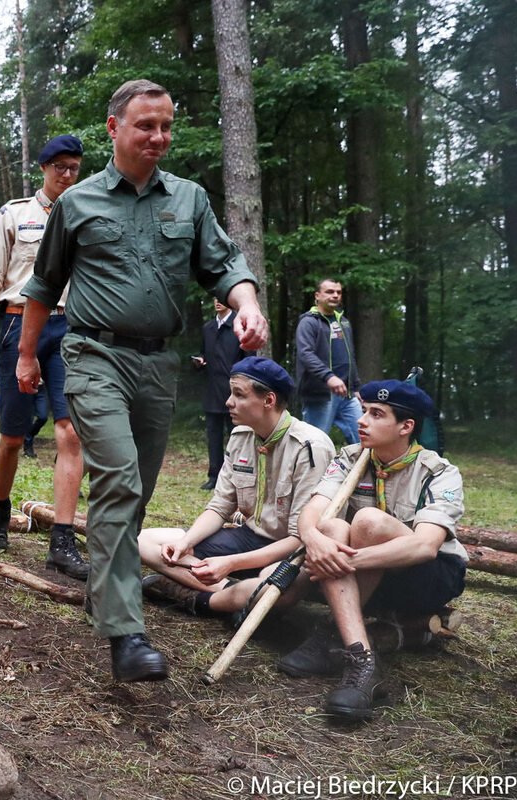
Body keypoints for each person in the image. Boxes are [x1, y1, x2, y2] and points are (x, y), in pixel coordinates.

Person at [17, 79, 268, 683]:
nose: (158, 137)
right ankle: (126, 634)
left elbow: (225, 265)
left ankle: (107, 595)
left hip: (157, 366)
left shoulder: (189, 200)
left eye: (166, 126)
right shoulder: (76, 204)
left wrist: (248, 302)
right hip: (93, 355)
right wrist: (27, 359)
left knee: (134, 494)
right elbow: (43, 288)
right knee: (119, 478)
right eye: (145, 126)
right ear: (114, 128)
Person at [279, 380, 466, 720]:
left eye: (376, 414)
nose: (362, 420)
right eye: (363, 411)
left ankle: (332, 636)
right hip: (366, 578)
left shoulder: (438, 472)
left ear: (406, 427)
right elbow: (314, 509)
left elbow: (425, 546)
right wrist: (314, 538)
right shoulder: (350, 457)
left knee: (368, 521)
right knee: (332, 527)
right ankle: (360, 658)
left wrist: (341, 563)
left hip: (426, 578)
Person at [0, 134, 88, 580]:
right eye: (59, 165)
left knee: (69, 433)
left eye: (74, 167)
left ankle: (61, 538)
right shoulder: (14, 214)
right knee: (13, 436)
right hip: (20, 323)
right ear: (43, 168)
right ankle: (0, 510)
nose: (67, 174)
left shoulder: (84, 214)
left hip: (70, 328)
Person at [138, 357, 334, 616]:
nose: (229, 402)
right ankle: (231, 592)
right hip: (247, 538)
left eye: (239, 394)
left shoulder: (310, 447)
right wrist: (185, 543)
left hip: (288, 550)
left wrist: (230, 563)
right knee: (144, 541)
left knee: (271, 587)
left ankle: (211, 595)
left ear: (269, 400)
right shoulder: (241, 436)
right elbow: (220, 507)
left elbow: (300, 539)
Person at [194, 299, 253, 490]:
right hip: (212, 390)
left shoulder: (240, 326)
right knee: (213, 435)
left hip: (235, 392)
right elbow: (203, 352)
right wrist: (200, 361)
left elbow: (249, 359)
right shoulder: (208, 328)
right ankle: (214, 476)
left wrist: (243, 387)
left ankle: (238, 475)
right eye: (215, 298)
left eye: (222, 298)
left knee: (238, 435)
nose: (218, 302)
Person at [295, 278, 362, 443]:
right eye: (330, 292)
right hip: (320, 393)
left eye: (338, 292)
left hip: (347, 394)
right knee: (313, 443)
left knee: (363, 439)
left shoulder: (344, 322)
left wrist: (356, 387)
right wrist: (329, 377)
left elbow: (350, 357)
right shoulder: (309, 322)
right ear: (317, 296)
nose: (335, 296)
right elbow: (306, 354)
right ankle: (308, 469)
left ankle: (361, 469)